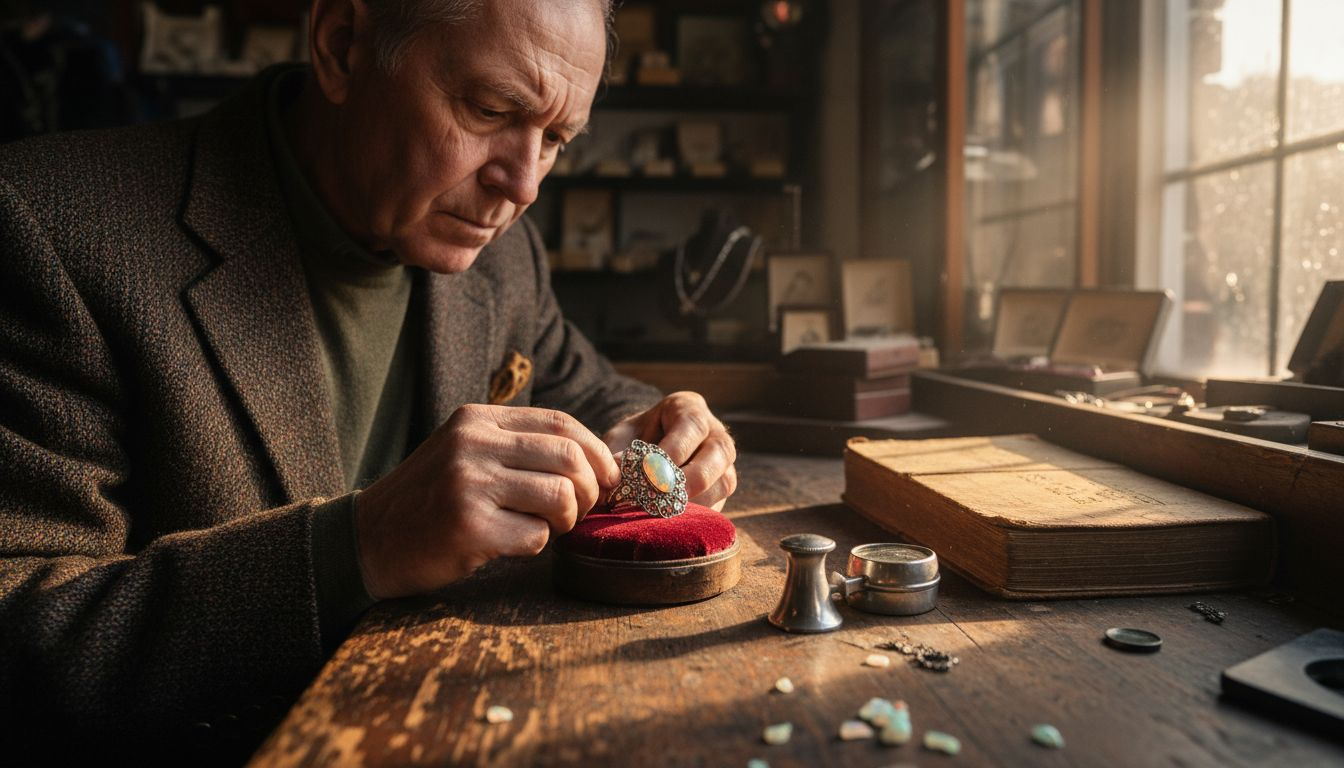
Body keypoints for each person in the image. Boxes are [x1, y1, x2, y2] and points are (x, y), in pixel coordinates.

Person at [0, 0, 737, 759]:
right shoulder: (48, 227)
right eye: (490, 110)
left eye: (555, 139)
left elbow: (590, 392)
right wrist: (363, 544)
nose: (523, 185)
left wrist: (656, 430)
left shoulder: (504, 258)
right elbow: (18, 644)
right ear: (342, 46)